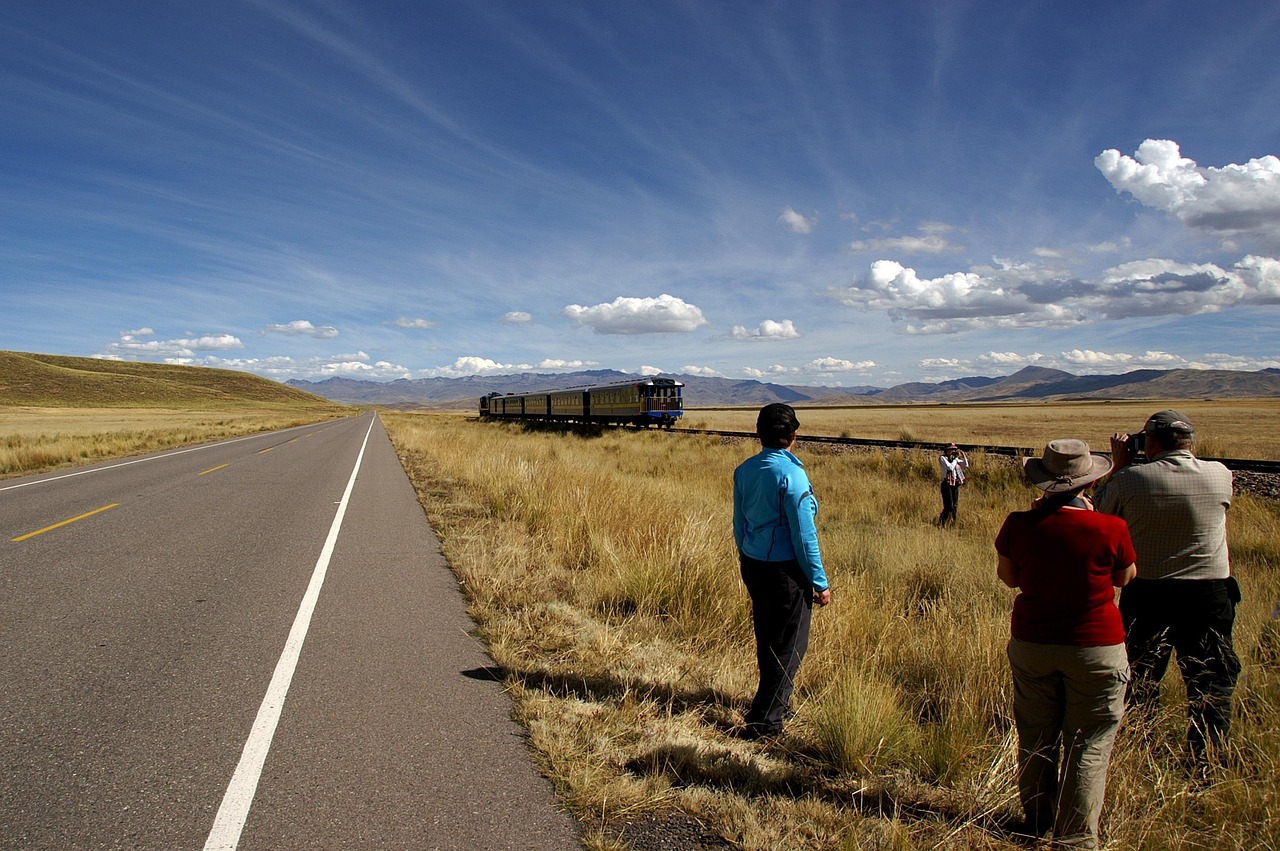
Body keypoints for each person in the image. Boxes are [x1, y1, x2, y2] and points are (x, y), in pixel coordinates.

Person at [996, 439, 1136, 849]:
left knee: (1036, 735)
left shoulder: (1018, 524)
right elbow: (1125, 578)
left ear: (1043, 483)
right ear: (1088, 484)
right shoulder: (1111, 528)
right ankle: (1075, 839)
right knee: (1088, 742)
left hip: (1033, 641)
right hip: (1096, 645)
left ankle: (1037, 819)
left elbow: (1009, 578)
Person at [1094, 410, 1240, 772]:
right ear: (1190, 442)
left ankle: (1143, 753)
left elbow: (1098, 514)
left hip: (1149, 593)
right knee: (1211, 681)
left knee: (1141, 677)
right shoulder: (1221, 474)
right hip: (1210, 595)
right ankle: (1207, 761)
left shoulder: (1129, 479)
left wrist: (1119, 467)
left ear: (1151, 443)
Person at [732, 403, 832, 739]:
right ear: (794, 436)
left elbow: (739, 523)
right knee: (789, 646)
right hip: (786, 572)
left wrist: (747, 556)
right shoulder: (793, 475)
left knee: (768, 639)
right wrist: (819, 582)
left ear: (758, 433)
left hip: (754, 564)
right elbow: (805, 537)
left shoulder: (745, 470)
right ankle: (766, 722)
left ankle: (775, 702)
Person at [937, 443, 969, 527]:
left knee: (955, 506)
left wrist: (963, 456)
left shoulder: (954, 459)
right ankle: (942, 523)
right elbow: (950, 467)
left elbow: (965, 465)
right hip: (947, 484)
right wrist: (955, 459)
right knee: (948, 506)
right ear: (947, 450)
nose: (953, 451)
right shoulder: (943, 458)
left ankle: (953, 523)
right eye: (951, 449)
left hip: (955, 483)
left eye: (954, 450)